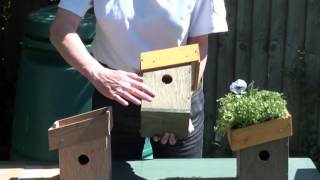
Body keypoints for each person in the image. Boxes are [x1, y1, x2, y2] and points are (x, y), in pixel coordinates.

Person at [50, 0, 228, 160]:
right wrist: (98, 74)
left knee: (180, 174)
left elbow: (199, 44)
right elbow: (61, 29)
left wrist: (179, 102)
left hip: (178, 91)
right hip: (116, 96)